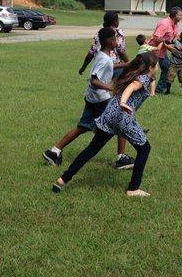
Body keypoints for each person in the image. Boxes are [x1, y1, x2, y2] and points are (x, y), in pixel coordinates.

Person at [52, 52, 159, 197]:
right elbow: (131, 88)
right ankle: (133, 189)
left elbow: (146, 82)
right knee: (145, 148)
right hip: (122, 117)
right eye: (157, 64)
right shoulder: (142, 78)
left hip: (110, 115)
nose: (158, 66)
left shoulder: (134, 74)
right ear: (151, 67)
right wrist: (123, 102)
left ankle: (63, 179)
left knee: (92, 148)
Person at [42, 27, 135, 168]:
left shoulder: (101, 55)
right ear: (110, 41)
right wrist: (112, 88)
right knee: (122, 119)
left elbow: (108, 65)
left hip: (92, 97)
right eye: (115, 38)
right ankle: (121, 158)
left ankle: (54, 151)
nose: (117, 41)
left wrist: (125, 64)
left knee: (83, 126)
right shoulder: (105, 59)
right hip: (101, 99)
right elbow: (94, 80)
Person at [77, 11, 134, 168]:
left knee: (88, 123)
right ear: (115, 21)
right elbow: (121, 51)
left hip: (105, 71)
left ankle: (56, 149)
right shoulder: (117, 33)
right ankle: (121, 157)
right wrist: (130, 65)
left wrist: (83, 67)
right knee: (120, 112)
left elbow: (91, 53)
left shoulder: (99, 34)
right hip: (111, 72)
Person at [148, 6, 182, 93]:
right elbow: (156, 37)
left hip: (162, 52)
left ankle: (159, 90)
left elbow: (174, 38)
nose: (181, 16)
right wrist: (168, 46)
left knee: (167, 68)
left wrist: (181, 47)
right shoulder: (165, 23)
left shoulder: (175, 24)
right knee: (149, 71)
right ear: (175, 15)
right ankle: (140, 87)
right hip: (152, 51)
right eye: (180, 15)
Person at [165, 30, 182, 96]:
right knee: (169, 79)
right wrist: (165, 41)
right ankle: (168, 91)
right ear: (180, 36)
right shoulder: (176, 41)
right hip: (173, 64)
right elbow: (168, 41)